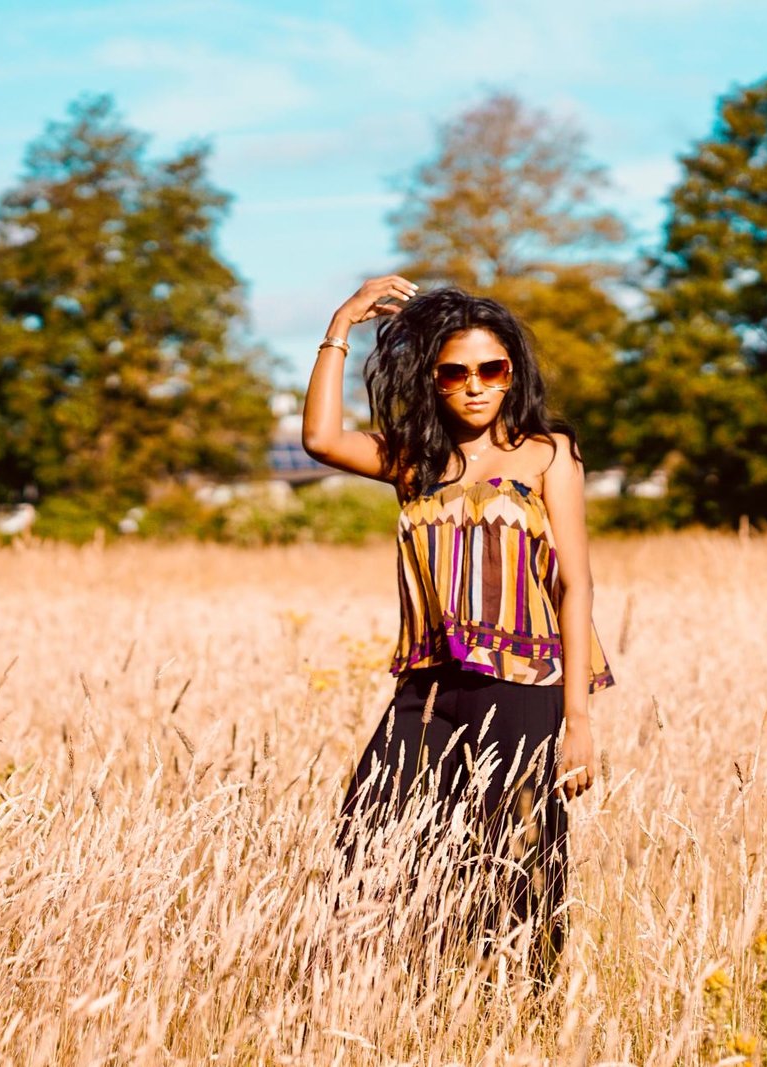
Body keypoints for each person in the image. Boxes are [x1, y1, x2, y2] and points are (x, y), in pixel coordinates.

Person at [302, 274, 616, 988]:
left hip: (526, 684)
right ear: (434, 379)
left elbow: (576, 583)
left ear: (513, 373)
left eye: (491, 369)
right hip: (429, 688)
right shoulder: (414, 460)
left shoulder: (548, 454)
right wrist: (342, 320)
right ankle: (389, 987)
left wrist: (578, 719)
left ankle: (524, 1013)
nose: (475, 386)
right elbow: (319, 438)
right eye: (456, 372)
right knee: (366, 834)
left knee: (521, 859)